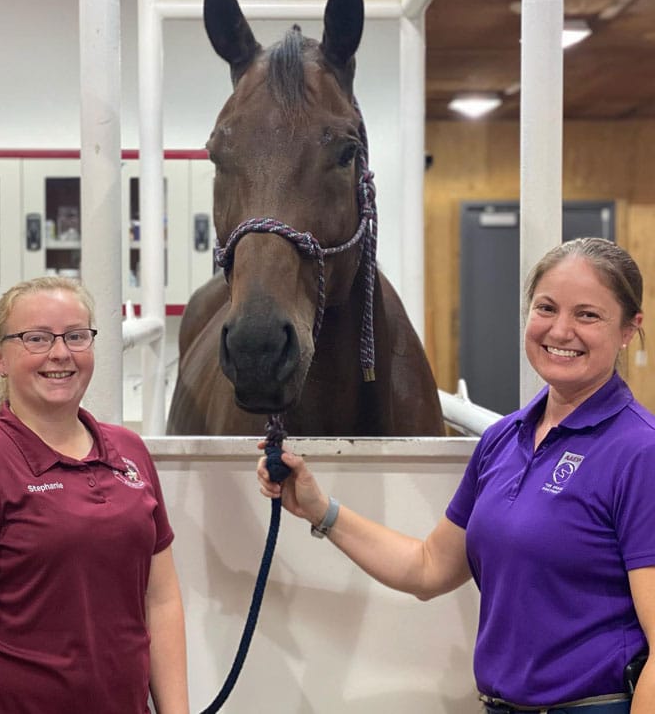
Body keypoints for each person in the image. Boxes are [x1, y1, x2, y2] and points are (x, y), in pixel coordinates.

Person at [257, 237, 655, 713]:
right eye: (546, 308)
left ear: (630, 329)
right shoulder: (503, 441)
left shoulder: (640, 451)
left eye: (587, 315)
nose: (561, 330)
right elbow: (428, 568)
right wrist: (320, 510)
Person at [0, 276, 189, 714]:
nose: (60, 353)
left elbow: (161, 599)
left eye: (76, 336)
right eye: (36, 339)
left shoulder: (130, 452)